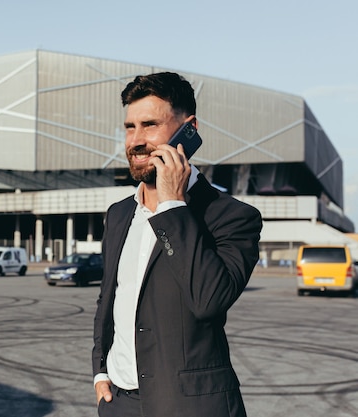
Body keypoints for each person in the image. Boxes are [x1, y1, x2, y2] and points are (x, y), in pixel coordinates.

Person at [92, 72, 262, 417]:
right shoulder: (119, 213)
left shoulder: (232, 217)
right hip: (118, 404)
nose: (136, 140)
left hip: (190, 407)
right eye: (130, 127)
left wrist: (172, 206)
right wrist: (100, 371)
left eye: (150, 125)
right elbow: (108, 297)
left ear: (189, 128)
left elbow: (208, 301)